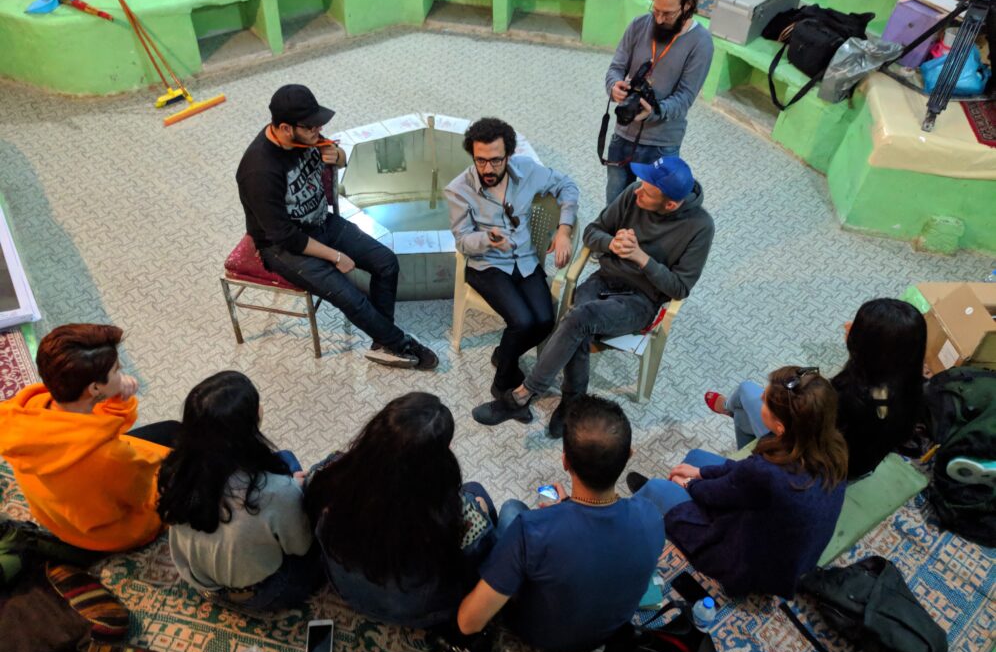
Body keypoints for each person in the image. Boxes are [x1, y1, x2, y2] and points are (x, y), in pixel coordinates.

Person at [472, 156, 713, 436]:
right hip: (603, 279)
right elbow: (592, 232)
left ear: (670, 205)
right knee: (579, 326)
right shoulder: (633, 193)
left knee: (578, 319)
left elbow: (680, 288)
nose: (637, 191)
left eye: (647, 193)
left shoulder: (700, 227)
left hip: (641, 300)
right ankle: (573, 402)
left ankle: (522, 395)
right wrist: (612, 243)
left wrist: (642, 258)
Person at [236, 83, 437, 370]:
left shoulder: (304, 136)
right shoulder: (259, 171)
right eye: (311, 127)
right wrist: (336, 256)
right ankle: (400, 344)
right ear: (285, 128)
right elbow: (286, 236)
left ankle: (383, 341)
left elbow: (335, 154)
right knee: (352, 298)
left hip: (321, 221)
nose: (318, 131)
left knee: (386, 263)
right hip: (283, 247)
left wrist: (338, 157)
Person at [457, 395, 665, 652]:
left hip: (539, 635)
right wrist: (566, 506)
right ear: (629, 455)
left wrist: (560, 515)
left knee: (511, 509)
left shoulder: (531, 530)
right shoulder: (651, 516)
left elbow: (468, 623)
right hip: (606, 634)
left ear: (565, 461)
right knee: (514, 512)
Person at [628, 367, 848, 598]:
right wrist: (700, 473)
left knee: (657, 488)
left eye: (766, 400)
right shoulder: (831, 447)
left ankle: (638, 514)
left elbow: (717, 493)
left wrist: (689, 483)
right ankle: (664, 500)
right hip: (782, 546)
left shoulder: (769, 474)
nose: (761, 396)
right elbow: (743, 475)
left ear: (780, 428)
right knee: (695, 458)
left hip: (749, 564)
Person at [304, 392, 496, 629]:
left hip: (345, 590)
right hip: (419, 613)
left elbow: (308, 503)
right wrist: (481, 510)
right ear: (439, 459)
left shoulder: (329, 476)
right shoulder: (457, 518)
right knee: (477, 493)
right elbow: (481, 562)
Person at [0, 323, 178, 551]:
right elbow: (145, 496)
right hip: (110, 534)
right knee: (191, 467)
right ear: (94, 388)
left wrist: (117, 398)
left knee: (171, 431)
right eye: (116, 371)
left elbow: (100, 426)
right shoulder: (112, 457)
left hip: (60, 521)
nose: (122, 373)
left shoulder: (31, 408)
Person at [705, 298, 927, 480]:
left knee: (745, 392)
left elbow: (803, 424)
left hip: (816, 465)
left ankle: (732, 420)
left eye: (857, 327)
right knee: (743, 416)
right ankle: (742, 444)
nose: (848, 325)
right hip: (860, 468)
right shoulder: (910, 386)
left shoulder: (850, 397)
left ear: (870, 346)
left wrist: (788, 387)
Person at [157, 371, 320, 613]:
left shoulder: (174, 469)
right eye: (256, 405)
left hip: (202, 582)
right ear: (245, 429)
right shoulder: (277, 492)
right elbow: (300, 546)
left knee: (285, 458)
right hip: (261, 592)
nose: (261, 408)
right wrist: (294, 491)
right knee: (321, 539)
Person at [446, 117, 579, 397]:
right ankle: (502, 385)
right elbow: (462, 241)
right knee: (522, 322)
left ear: (508, 155)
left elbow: (567, 186)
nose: (487, 168)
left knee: (545, 321)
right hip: (487, 265)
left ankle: (504, 354)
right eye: (480, 160)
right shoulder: (459, 189)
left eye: (495, 160)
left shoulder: (527, 171)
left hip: (526, 261)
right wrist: (487, 238)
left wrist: (564, 230)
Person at [604, 0, 714, 205]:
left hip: (661, 144)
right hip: (624, 132)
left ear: (687, 5)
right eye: (656, 10)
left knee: (652, 212)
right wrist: (614, 86)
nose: (660, 19)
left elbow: (685, 98)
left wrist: (654, 111)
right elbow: (616, 68)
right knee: (614, 206)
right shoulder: (639, 25)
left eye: (668, 13)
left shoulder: (701, 43)